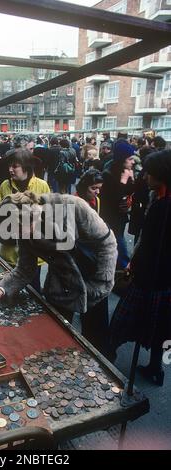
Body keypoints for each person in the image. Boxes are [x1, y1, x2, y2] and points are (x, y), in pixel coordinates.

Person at [0, 190, 117, 357]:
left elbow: (107, 243)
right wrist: (1, 289)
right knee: (57, 336)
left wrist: (101, 281)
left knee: (96, 340)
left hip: (93, 276)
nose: (15, 236)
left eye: (16, 230)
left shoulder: (71, 206)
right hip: (61, 280)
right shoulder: (24, 230)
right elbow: (25, 270)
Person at [109, 150, 171, 385]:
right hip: (163, 278)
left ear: (161, 175)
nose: (145, 176)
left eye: (149, 172)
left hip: (151, 278)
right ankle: (156, 367)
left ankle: (106, 362)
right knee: (161, 326)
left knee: (121, 323)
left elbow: (150, 246)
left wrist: (134, 268)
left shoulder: (163, 207)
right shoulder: (159, 200)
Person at [0, 148, 50, 292]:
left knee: (34, 293)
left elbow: (49, 215)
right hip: (10, 249)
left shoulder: (41, 185)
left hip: (34, 250)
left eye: (15, 166)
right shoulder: (5, 185)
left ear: (26, 166)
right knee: (9, 291)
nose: (10, 169)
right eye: (9, 166)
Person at [75, 170, 109, 354]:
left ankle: (92, 342)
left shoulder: (96, 202)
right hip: (75, 258)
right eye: (93, 188)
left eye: (99, 189)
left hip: (91, 258)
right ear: (83, 187)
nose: (97, 192)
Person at [100, 140, 135, 269]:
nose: (133, 162)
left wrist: (130, 180)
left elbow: (130, 192)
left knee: (116, 242)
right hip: (111, 216)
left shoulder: (125, 171)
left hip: (121, 215)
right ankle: (124, 267)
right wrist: (124, 181)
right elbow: (114, 198)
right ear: (121, 159)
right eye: (130, 159)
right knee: (117, 243)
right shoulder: (108, 174)